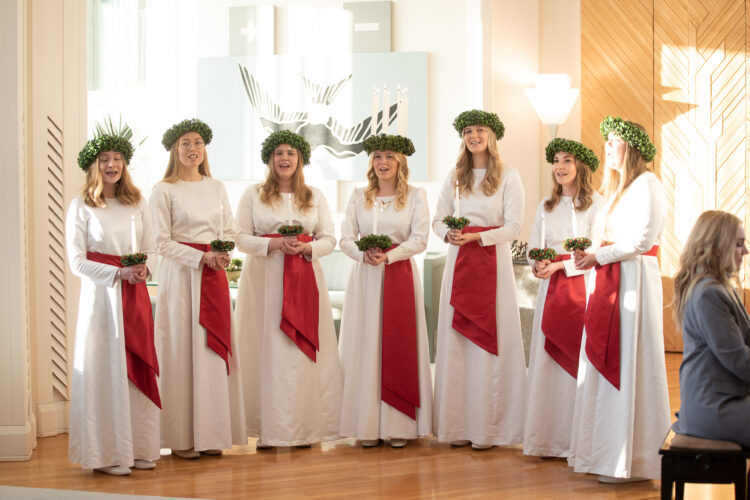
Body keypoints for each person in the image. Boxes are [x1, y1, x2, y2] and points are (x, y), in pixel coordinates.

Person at [571, 116, 670, 481]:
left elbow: (642, 242)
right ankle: (601, 454)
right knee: (602, 360)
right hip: (609, 281)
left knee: (630, 360)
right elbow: (605, 239)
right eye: (607, 141)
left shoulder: (648, 185)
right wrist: (588, 256)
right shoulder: (615, 191)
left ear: (631, 147)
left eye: (613, 141)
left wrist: (600, 256)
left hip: (633, 282)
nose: (607, 147)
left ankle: (633, 460)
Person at [234, 130, 343, 448]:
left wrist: (308, 249)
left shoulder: (315, 195)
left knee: (299, 354)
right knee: (269, 351)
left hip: (306, 279)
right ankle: (270, 430)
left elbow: (328, 238)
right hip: (265, 282)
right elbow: (240, 237)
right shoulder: (252, 195)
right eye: (279, 152)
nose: (284, 158)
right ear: (270, 158)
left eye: (291, 153)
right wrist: (277, 244)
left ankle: (305, 427)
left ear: (300, 159)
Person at [66, 121, 160, 475]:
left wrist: (143, 269)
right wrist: (116, 273)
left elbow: (150, 249)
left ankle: (138, 447)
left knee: (134, 364)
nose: (111, 165)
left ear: (124, 164)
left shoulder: (137, 202)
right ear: (94, 166)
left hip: (133, 294)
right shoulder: (82, 205)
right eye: (104, 159)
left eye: (117, 158)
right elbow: (77, 261)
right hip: (101, 300)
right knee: (105, 369)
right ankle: (106, 453)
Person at [150, 118, 245, 459]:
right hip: (182, 277)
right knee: (182, 349)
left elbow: (230, 230)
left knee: (210, 350)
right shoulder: (164, 190)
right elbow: (160, 242)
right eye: (186, 143)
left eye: (199, 143)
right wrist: (199, 258)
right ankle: (182, 436)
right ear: (175, 149)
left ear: (205, 149)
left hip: (213, 275)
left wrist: (222, 252)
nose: (193, 149)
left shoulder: (217, 187)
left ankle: (212, 433)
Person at [432, 110, 527, 450]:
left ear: (491, 135)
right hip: (459, 262)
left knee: (489, 343)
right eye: (468, 131)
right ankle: (457, 425)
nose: (474, 136)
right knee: (458, 343)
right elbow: (438, 220)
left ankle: (489, 428)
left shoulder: (509, 176)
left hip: (492, 264)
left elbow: (515, 226)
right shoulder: (454, 176)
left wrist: (477, 238)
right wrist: (450, 233)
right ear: (463, 137)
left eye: (480, 130)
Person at [339, 134, 432, 448]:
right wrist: (362, 254)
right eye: (377, 156)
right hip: (366, 276)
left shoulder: (417, 196)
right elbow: (346, 238)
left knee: (397, 342)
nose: (383, 162)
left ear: (401, 161)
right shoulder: (358, 195)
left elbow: (420, 239)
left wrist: (390, 256)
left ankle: (397, 424)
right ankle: (366, 423)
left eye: (390, 156)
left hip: (399, 274)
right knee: (367, 344)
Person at [523, 138, 600, 458]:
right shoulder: (546, 205)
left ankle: (577, 438)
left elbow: (595, 250)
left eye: (567, 160)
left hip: (583, 290)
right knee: (547, 360)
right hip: (550, 291)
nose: (560, 167)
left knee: (579, 356)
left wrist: (560, 264)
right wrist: (537, 262)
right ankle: (547, 438)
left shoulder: (597, 204)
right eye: (556, 161)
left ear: (580, 166)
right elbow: (532, 245)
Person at [672, 210, 750, 447]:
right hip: (714, 406)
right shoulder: (709, 293)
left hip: (725, 398)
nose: (745, 251)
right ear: (715, 247)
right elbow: (737, 359)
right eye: (738, 244)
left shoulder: (719, 286)